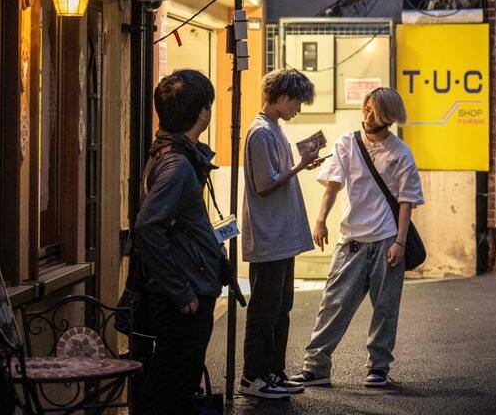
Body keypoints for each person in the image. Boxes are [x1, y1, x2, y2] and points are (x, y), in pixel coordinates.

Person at [289, 88, 424, 389]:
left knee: (386, 307)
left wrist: (400, 241)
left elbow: (406, 201)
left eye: (375, 111)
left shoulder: (400, 152)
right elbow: (332, 186)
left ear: (389, 116)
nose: (368, 115)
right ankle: (316, 366)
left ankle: (378, 367)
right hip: (351, 239)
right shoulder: (347, 143)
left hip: (387, 239)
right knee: (333, 303)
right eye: (366, 109)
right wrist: (320, 220)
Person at [134, 70, 240, 415]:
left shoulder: (167, 152)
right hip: (183, 295)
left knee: (175, 383)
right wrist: (182, 291)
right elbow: (148, 226)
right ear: (202, 113)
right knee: (170, 384)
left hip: (185, 288)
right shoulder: (178, 165)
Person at [239, 69, 324, 399]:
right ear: (282, 96)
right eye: (298, 103)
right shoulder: (260, 132)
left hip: (279, 235)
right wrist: (301, 165)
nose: (298, 110)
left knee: (280, 307)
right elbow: (264, 184)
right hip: (269, 235)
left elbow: (277, 177)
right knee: (264, 310)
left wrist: (302, 165)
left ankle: (273, 371)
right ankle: (253, 377)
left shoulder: (272, 128)